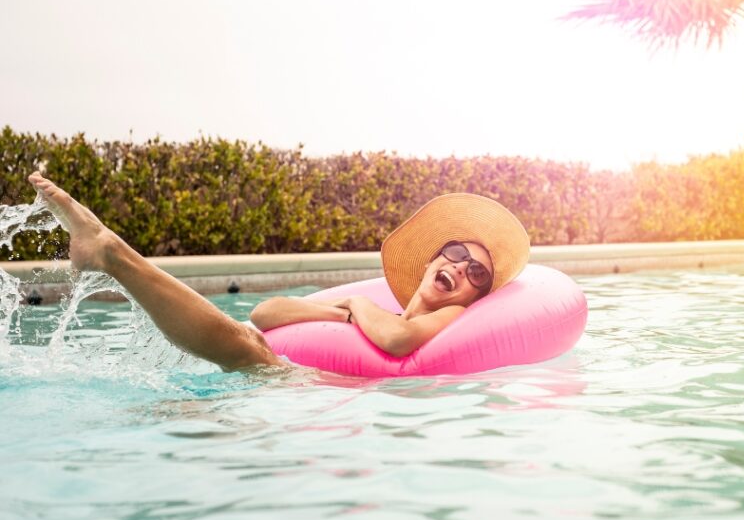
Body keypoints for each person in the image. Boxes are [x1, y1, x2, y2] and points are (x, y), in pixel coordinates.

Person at [27, 172, 530, 371]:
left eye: (477, 273)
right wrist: (350, 314)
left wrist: (354, 307)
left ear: (475, 296)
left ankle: (114, 254)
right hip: (300, 389)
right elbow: (266, 312)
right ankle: (111, 255)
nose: (461, 269)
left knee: (244, 350)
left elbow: (397, 342)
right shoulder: (381, 310)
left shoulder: (446, 321)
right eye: (455, 254)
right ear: (431, 260)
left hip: (321, 399)